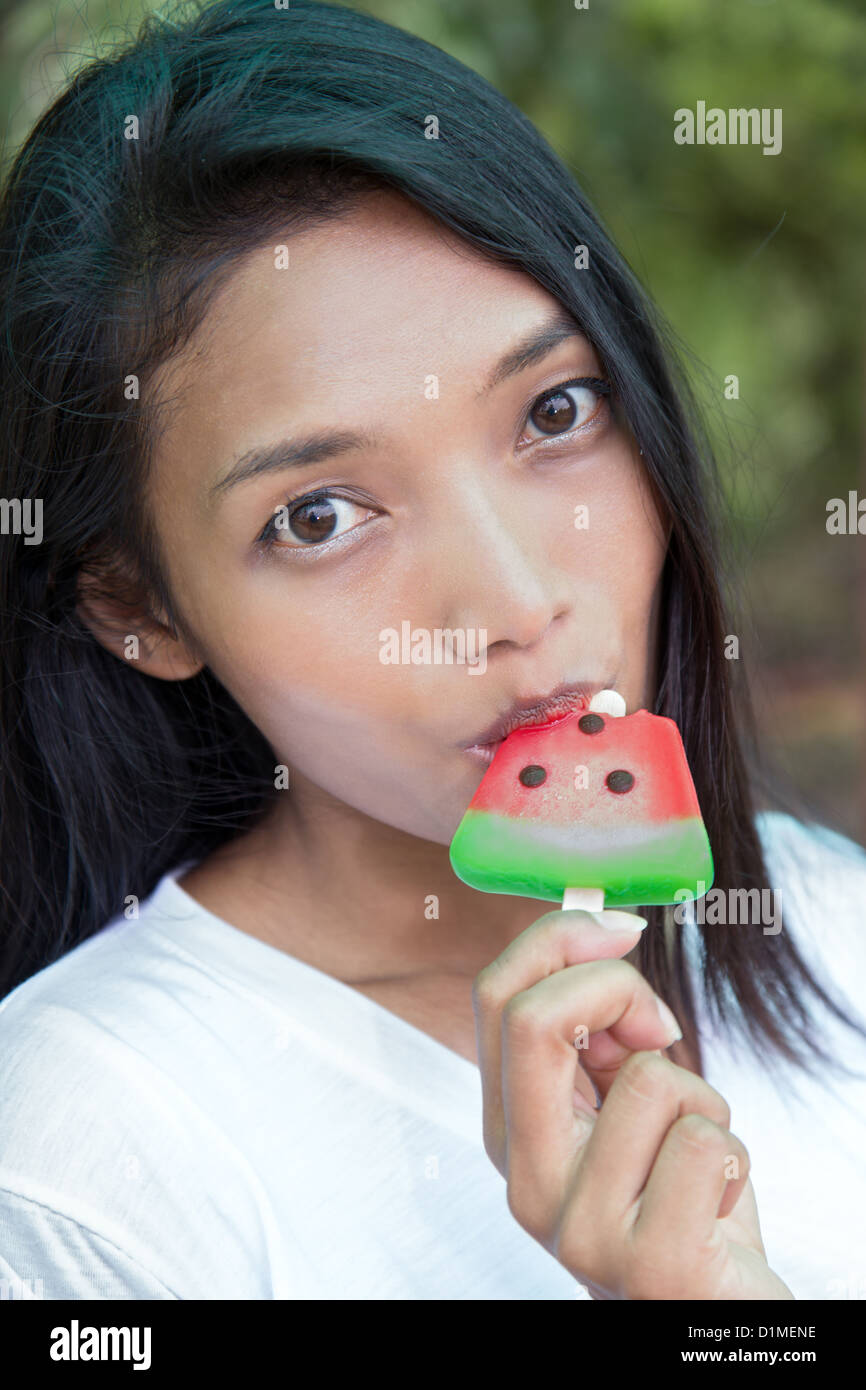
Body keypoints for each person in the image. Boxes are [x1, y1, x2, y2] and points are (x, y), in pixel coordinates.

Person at [1, 0, 864, 1301]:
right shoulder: (77, 1167)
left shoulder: (829, 918)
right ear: (142, 607)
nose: (515, 598)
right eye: (319, 516)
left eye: (556, 412)